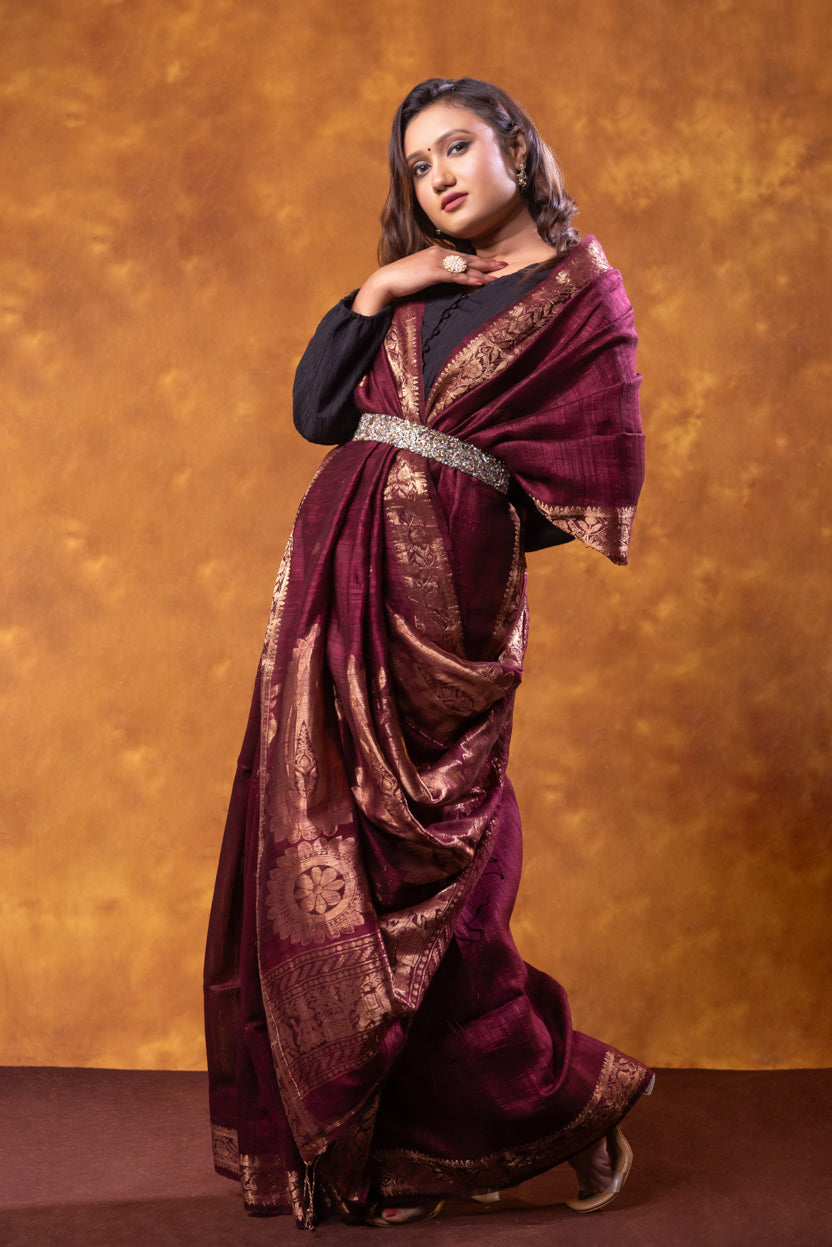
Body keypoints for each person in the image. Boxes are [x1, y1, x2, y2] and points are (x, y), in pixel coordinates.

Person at [204, 76, 652, 1230]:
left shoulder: (577, 292)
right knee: (327, 858)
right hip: (328, 580)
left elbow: (600, 469)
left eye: (457, 147)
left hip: (438, 600)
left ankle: (559, 1103)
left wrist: (460, 523)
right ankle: (393, 1151)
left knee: (430, 876)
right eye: (418, 165)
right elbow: (317, 409)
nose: (440, 177)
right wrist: (378, 286)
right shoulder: (415, 287)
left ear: (513, 144)